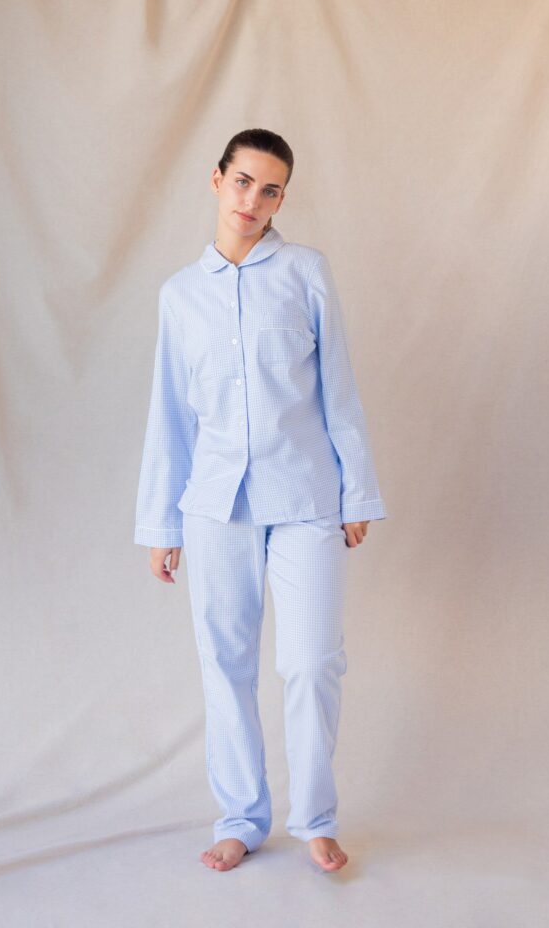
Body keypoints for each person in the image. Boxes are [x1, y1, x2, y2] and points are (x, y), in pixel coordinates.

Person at [134, 128, 387, 872]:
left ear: (282, 199)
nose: (253, 200)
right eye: (243, 181)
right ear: (217, 180)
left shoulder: (306, 272)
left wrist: (356, 492)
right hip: (213, 505)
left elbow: (338, 387)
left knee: (311, 661)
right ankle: (241, 819)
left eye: (270, 189)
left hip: (305, 495)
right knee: (225, 662)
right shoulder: (180, 295)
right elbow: (170, 413)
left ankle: (315, 819)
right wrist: (161, 523)